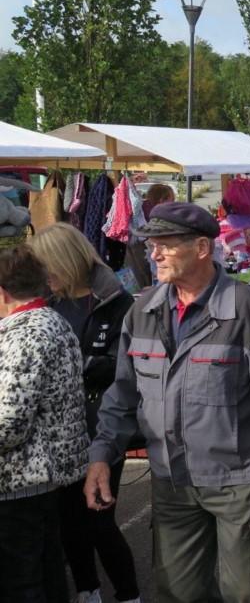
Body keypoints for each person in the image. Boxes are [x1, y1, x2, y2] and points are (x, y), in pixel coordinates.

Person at [85, 202, 250, 602]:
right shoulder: (143, 312)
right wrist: (101, 455)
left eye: (165, 245)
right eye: (151, 245)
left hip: (239, 483)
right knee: (178, 593)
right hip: (172, 483)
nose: (153, 254)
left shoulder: (244, 310)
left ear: (203, 248)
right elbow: (122, 394)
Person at [31, 223, 141, 603]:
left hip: (102, 425)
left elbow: (124, 367)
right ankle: (87, 590)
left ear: (66, 260)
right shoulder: (49, 302)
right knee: (68, 521)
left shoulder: (118, 302)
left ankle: (128, 594)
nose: (45, 275)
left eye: (48, 266)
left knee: (99, 520)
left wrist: (71, 364)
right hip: (59, 430)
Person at [0, 245, 88, 603]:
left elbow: (8, 422)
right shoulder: (52, 322)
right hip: (44, 479)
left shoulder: (26, 333)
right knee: (47, 576)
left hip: (21, 483)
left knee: (23, 584)